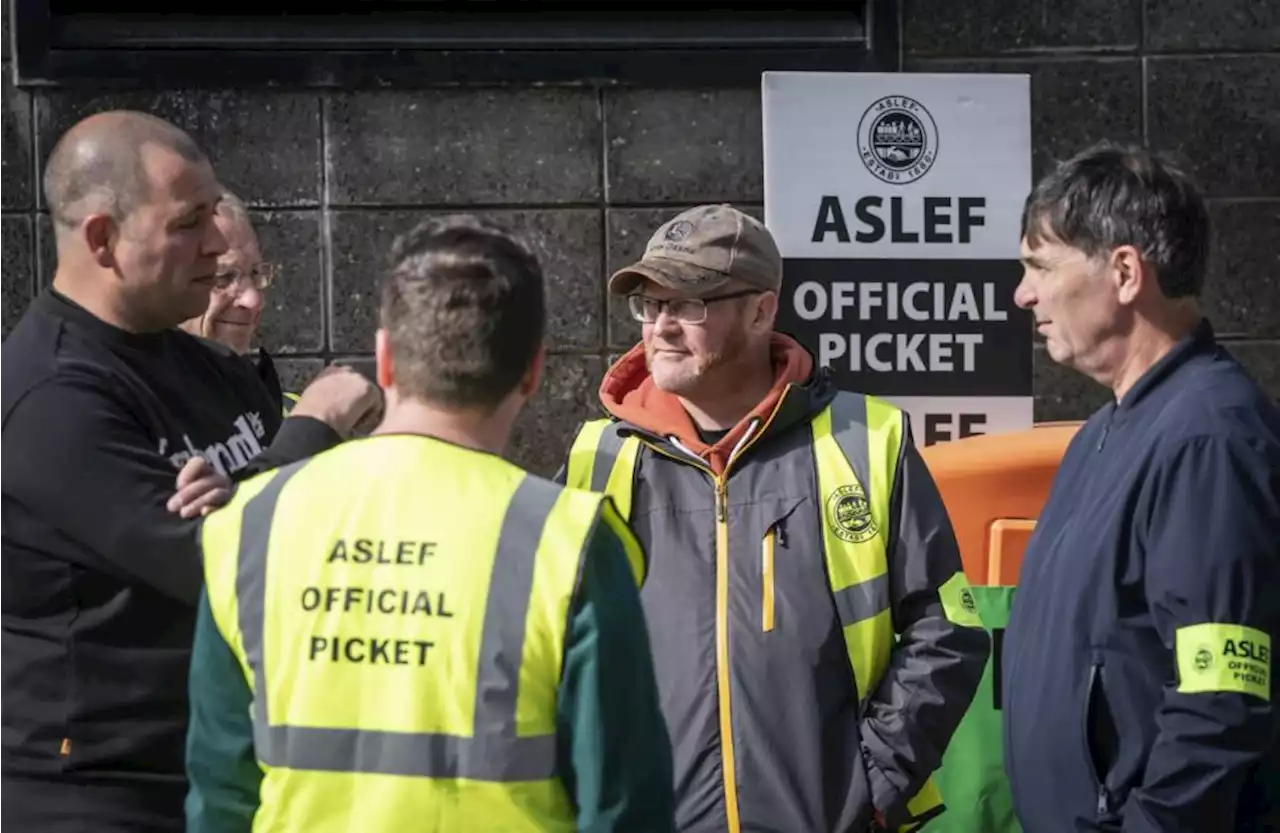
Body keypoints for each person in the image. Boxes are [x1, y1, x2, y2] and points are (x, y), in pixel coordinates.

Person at [185, 214, 676, 833]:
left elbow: (218, 793)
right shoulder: (567, 540)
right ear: (533, 371)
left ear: (385, 361)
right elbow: (625, 806)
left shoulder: (249, 525)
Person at [0, 110, 382, 833]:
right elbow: (222, 566)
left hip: (223, 776)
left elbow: (297, 534)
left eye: (214, 215)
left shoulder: (210, 368)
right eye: (187, 225)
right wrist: (314, 430)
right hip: (96, 794)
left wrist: (243, 495)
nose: (215, 244)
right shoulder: (51, 396)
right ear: (102, 240)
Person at [558, 203, 989, 832]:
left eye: (689, 304)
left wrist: (873, 783)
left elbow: (946, 626)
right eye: (651, 306)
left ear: (761, 311)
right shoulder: (599, 455)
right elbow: (551, 648)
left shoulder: (866, 437)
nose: (661, 327)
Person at [1001, 141, 1280, 832]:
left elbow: (1223, 695)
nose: (1023, 293)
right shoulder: (1106, 432)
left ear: (1125, 271)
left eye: (1040, 265)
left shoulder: (1209, 438)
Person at [177, 189, 299, 414]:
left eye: (255, 273)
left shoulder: (294, 413)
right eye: (223, 277)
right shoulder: (126, 418)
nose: (254, 300)